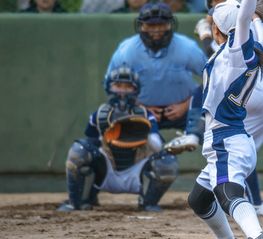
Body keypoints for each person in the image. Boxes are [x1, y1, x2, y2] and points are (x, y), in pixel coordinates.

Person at [186, 0, 263, 239]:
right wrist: (254, 12)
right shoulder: (233, 50)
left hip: (229, 139)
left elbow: (240, 21)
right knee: (199, 199)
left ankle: (257, 235)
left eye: (212, 21)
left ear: (220, 29)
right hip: (223, 141)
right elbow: (242, 23)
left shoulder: (238, 52)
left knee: (226, 191)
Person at [180, 0, 263, 216]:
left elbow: (216, 57)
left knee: (228, 139)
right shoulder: (254, 26)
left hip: (248, 89)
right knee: (244, 148)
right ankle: (256, 203)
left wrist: (206, 33)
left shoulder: (237, 32)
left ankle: (192, 133)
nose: (218, 2)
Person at [57, 65, 178, 212]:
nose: (122, 92)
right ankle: (79, 200)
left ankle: (148, 201)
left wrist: (142, 132)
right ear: (109, 87)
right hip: (107, 172)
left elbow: (158, 147)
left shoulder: (145, 114)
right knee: (79, 151)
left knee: (167, 161)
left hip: (136, 171)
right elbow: (91, 144)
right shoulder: (101, 114)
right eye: (118, 86)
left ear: (136, 90)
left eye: (128, 87)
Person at [106, 2, 207, 152]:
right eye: (150, 25)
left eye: (162, 24)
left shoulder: (187, 48)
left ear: (170, 24)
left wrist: (186, 105)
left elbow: (212, 78)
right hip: (141, 110)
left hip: (185, 111)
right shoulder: (127, 51)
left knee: (218, 135)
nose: (156, 30)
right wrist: (140, 106)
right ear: (140, 26)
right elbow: (111, 85)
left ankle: (227, 171)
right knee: (116, 125)